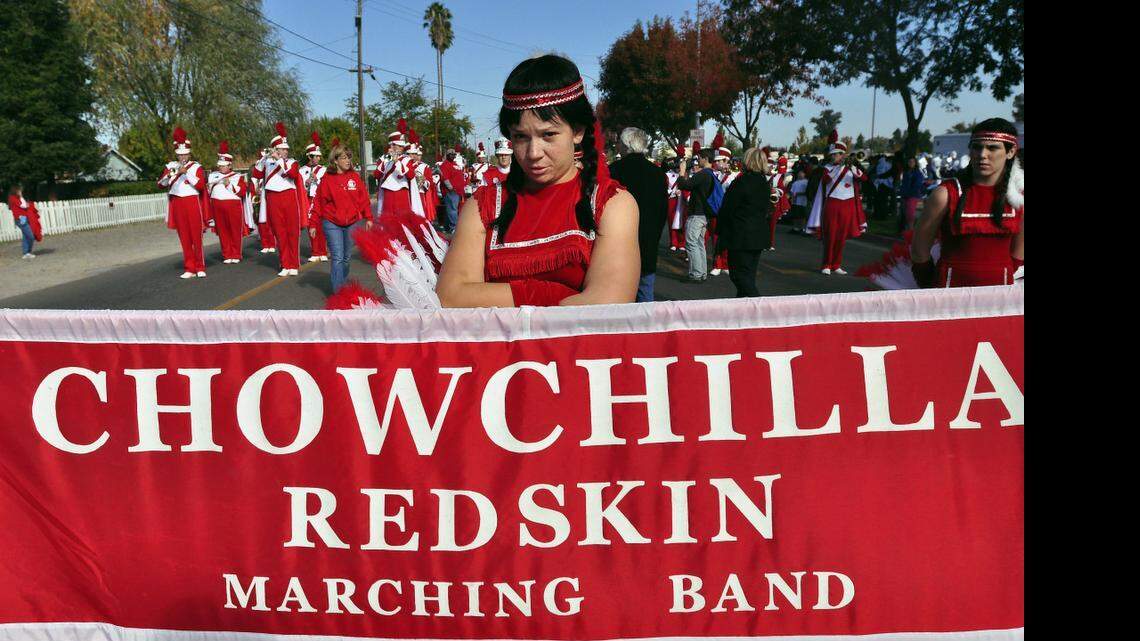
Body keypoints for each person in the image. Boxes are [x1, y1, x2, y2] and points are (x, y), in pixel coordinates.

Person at [436, 54, 640, 307]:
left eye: (549, 135)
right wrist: (554, 296)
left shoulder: (611, 204)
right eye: (520, 137)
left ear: (577, 131)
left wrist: (498, 296)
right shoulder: (483, 206)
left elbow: (607, 303)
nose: (533, 153)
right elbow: (451, 296)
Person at [911, 118, 1024, 287]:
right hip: (949, 296)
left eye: (992, 148)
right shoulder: (946, 193)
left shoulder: (1019, 198)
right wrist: (930, 288)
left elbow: (1018, 253)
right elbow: (919, 251)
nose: (982, 154)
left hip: (1000, 297)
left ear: (1011, 151)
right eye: (977, 147)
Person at [608, 126, 667, 302]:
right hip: (648, 240)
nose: (617, 145)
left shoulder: (614, 171)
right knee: (645, 291)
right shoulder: (657, 173)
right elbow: (662, 211)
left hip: (618, 242)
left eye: (619, 141)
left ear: (626, 145)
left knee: (617, 294)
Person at [250, 122, 310, 277]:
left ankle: (294, 263)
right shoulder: (267, 163)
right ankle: (285, 263)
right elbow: (256, 175)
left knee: (292, 231)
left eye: (285, 149)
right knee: (280, 232)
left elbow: (292, 174)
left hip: (289, 197)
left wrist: (278, 160)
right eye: (282, 149)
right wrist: (263, 159)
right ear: (275, 149)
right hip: (273, 198)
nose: (285, 151)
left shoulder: (292, 162)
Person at [806, 129, 868, 275]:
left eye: (837, 154)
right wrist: (839, 167)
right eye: (833, 155)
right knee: (830, 236)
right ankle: (826, 264)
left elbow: (864, 178)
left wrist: (852, 166)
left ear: (843, 155)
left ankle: (836, 264)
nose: (834, 157)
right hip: (832, 204)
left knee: (841, 237)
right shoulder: (827, 168)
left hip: (847, 205)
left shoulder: (850, 169)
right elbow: (826, 180)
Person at [312, 144, 372, 293]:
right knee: (337, 257)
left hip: (352, 222)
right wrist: (313, 223)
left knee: (346, 258)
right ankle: (338, 293)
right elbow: (318, 202)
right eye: (344, 158)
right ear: (336, 160)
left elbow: (363, 199)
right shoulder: (327, 179)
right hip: (332, 222)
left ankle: (341, 283)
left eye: (349, 157)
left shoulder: (354, 178)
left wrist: (368, 217)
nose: (347, 161)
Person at [715, 147, 773, 297]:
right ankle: (745, 312)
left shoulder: (742, 182)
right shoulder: (764, 183)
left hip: (740, 235)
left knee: (738, 276)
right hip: (758, 234)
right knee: (748, 276)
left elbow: (727, 208)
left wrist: (719, 232)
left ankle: (759, 306)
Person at [156, 126, 210, 279]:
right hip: (177, 203)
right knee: (184, 236)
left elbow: (200, 186)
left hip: (192, 202)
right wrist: (171, 175)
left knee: (196, 236)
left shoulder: (196, 166)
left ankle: (200, 266)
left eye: (185, 154)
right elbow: (161, 185)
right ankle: (189, 267)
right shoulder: (170, 166)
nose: (183, 157)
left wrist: (186, 174)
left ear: (189, 153)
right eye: (180, 154)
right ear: (176, 154)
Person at [677, 144, 718, 282]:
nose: (697, 160)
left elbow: (684, 185)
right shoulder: (711, 174)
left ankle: (695, 274)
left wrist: (682, 171)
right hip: (704, 214)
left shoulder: (703, 174)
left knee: (691, 243)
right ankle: (701, 273)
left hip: (697, 214)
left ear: (705, 159)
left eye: (699, 157)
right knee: (699, 244)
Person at [206, 141, 248, 264]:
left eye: (224, 165)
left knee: (234, 230)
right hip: (217, 206)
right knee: (223, 231)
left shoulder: (237, 176)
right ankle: (226, 254)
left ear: (229, 165)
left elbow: (242, 192)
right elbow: (209, 191)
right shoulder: (212, 175)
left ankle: (236, 254)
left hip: (233, 206)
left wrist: (229, 184)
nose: (221, 167)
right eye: (220, 165)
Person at [374, 120, 424, 220]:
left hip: (402, 193)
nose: (401, 148)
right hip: (388, 194)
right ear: (391, 145)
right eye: (399, 146)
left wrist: (397, 162)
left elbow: (410, 175)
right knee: (388, 221)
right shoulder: (385, 159)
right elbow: (377, 175)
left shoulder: (407, 159)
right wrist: (386, 158)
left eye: (402, 146)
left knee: (403, 221)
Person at [301, 132, 330, 262]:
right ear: (309, 156)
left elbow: (327, 184)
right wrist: (306, 183)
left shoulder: (323, 169)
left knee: (321, 225)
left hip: (320, 199)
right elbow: (299, 187)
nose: (318, 159)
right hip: (308, 199)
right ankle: (315, 251)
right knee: (311, 225)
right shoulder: (301, 170)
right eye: (315, 156)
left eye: (319, 156)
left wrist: (317, 179)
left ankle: (322, 251)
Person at [249, 149, 277, 254]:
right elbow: (256, 174)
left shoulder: (270, 170)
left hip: (266, 196)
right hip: (257, 200)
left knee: (269, 220)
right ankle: (265, 243)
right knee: (261, 221)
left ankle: (272, 243)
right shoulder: (255, 177)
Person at [7, 184, 42, 258]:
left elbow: (25, 204)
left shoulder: (17, 198)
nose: (20, 191)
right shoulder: (12, 198)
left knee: (26, 236)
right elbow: (23, 205)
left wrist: (21, 197)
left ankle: (26, 253)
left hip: (23, 218)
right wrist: (21, 197)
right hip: (20, 219)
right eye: (19, 190)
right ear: (16, 190)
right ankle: (27, 252)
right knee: (30, 236)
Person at [438, 149, 466, 233]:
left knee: (450, 210)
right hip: (451, 191)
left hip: (458, 191)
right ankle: (454, 227)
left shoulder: (455, 164)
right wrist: (450, 188)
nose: (453, 156)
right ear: (447, 155)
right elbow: (444, 177)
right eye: (451, 154)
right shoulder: (445, 165)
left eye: (454, 155)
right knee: (452, 210)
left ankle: (447, 228)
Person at [768, 156, 793, 250]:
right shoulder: (776, 175)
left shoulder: (782, 175)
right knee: (769, 224)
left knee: (772, 224)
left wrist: (776, 191)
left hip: (776, 201)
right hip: (772, 200)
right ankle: (768, 243)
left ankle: (770, 243)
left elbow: (782, 189)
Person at [897, 156, 926, 231]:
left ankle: (911, 231)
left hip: (913, 195)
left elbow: (918, 184)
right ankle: (902, 230)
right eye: (909, 162)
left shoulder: (917, 173)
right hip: (904, 194)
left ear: (915, 163)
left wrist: (910, 192)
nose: (911, 163)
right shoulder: (906, 171)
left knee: (910, 213)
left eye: (912, 162)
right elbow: (903, 183)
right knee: (903, 213)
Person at [665, 152, 686, 252]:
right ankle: (673, 242)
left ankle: (682, 242)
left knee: (682, 220)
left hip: (682, 199)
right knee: (671, 220)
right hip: (672, 199)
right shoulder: (667, 175)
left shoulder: (685, 174)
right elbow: (665, 187)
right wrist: (672, 192)